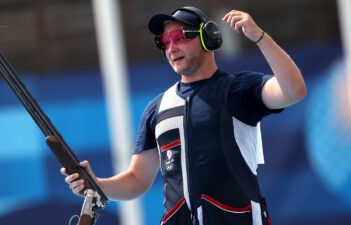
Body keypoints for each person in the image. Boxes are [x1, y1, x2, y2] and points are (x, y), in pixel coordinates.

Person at [61, 6, 306, 225]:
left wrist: (259, 37)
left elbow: (294, 90)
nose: (171, 48)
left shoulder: (238, 89)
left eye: (179, 38)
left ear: (208, 38)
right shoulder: (157, 108)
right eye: (164, 42)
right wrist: (97, 184)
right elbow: (137, 180)